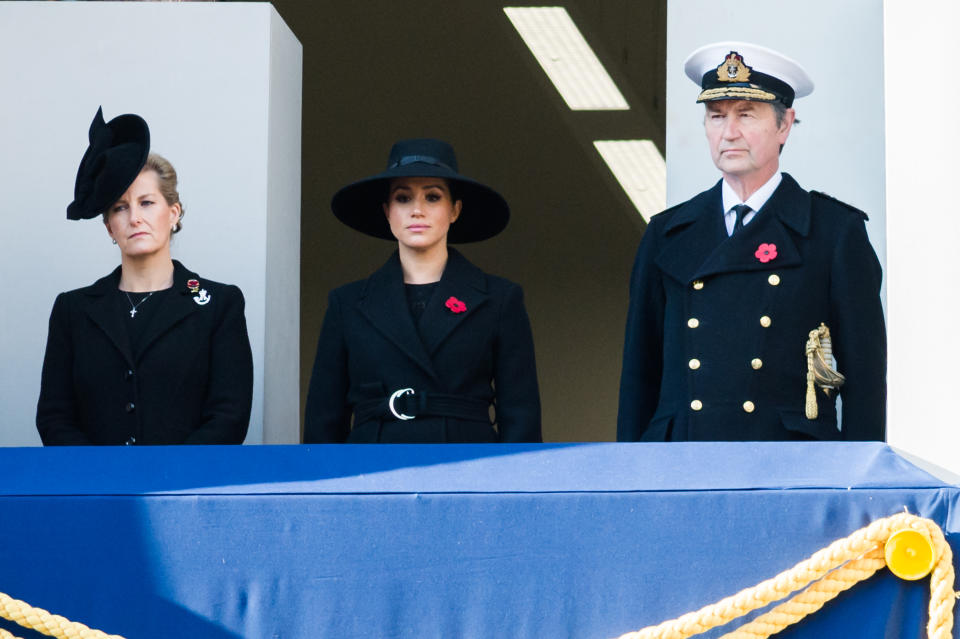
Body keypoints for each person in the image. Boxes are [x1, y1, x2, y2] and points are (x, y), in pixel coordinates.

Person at [617, 43, 885, 442]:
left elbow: (865, 381)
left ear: (784, 125)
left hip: (787, 465)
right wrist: (631, 482)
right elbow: (639, 375)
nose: (729, 132)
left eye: (746, 115)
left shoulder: (832, 233)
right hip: (681, 462)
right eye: (716, 116)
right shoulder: (667, 233)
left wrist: (862, 487)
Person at [36, 107, 253, 445]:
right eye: (120, 208)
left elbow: (229, 416)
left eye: (147, 202)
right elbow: (54, 417)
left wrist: (166, 477)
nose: (134, 217)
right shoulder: (73, 310)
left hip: (183, 490)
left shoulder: (219, 305)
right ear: (109, 226)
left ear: (173, 213)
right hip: (96, 491)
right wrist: (103, 477)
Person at [304, 138, 541, 443]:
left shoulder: (500, 299)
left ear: (454, 210)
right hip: (371, 469)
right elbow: (323, 420)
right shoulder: (347, 304)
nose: (417, 210)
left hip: (467, 467)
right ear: (387, 211)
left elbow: (521, 415)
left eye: (432, 197)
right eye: (403, 198)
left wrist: (508, 484)